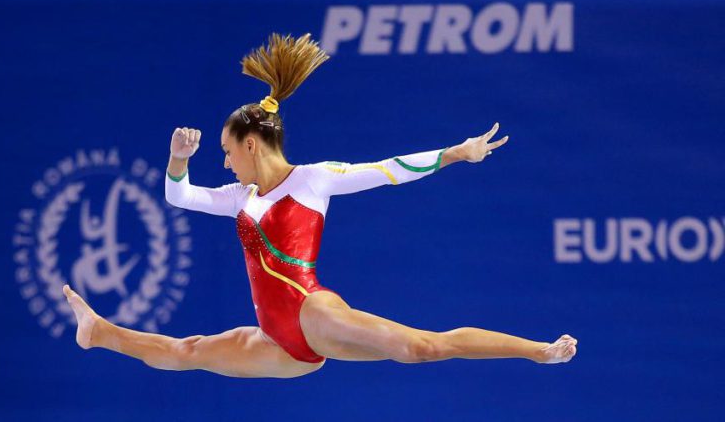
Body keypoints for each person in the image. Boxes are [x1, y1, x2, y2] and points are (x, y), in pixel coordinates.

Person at [63, 33, 577, 378]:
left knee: (421, 347)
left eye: (224, 152)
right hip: (282, 345)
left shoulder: (313, 181)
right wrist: (178, 160)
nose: (223, 164)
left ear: (250, 144)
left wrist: (456, 154)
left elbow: (390, 169)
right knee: (186, 352)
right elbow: (178, 195)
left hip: (314, 313)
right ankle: (100, 331)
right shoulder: (239, 199)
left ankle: (539, 351)